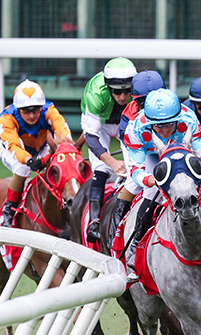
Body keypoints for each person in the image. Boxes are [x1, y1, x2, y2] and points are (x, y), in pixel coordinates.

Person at [123, 88, 201, 281]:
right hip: (153, 155)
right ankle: (135, 245)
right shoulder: (135, 128)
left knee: (198, 187)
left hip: (182, 151)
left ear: (178, 118)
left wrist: (197, 173)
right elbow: (135, 169)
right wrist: (150, 180)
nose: (164, 130)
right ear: (149, 122)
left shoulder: (189, 119)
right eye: (158, 126)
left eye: (170, 124)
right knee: (150, 194)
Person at [0, 79, 74, 227]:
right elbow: (14, 146)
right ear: (18, 109)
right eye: (26, 111)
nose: (32, 115)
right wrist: (29, 160)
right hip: (12, 150)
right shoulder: (6, 119)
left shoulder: (50, 111)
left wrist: (66, 149)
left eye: (36, 110)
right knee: (23, 169)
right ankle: (9, 209)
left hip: (41, 148)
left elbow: (62, 131)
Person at [81, 57, 137, 242]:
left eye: (127, 91)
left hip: (125, 121)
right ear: (107, 87)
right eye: (117, 91)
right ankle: (94, 221)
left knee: (135, 165)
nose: (122, 97)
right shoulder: (95, 93)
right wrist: (111, 162)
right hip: (100, 126)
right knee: (102, 168)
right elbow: (91, 137)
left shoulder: (139, 90)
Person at [109, 69, 166, 241]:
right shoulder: (129, 118)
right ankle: (116, 229)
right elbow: (138, 149)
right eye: (143, 102)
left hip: (163, 140)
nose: (148, 106)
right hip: (136, 145)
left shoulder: (170, 106)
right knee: (136, 181)